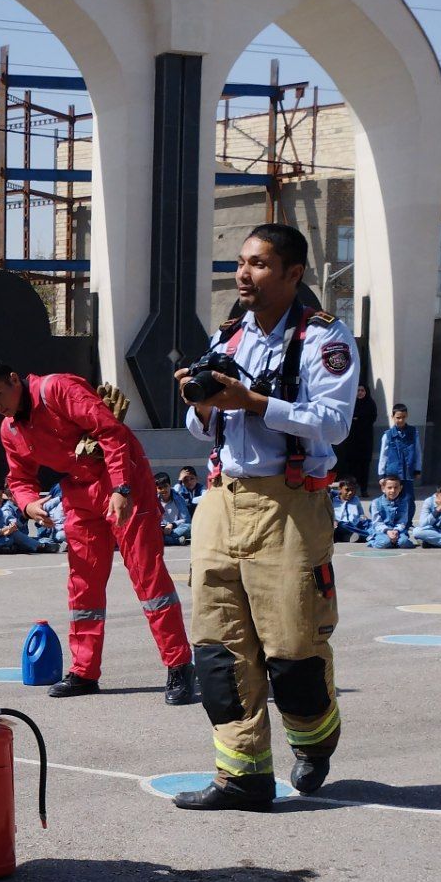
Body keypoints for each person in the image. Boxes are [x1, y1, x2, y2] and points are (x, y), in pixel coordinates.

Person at [175, 223, 358, 807]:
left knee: (292, 646)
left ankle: (314, 736)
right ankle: (243, 776)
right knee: (218, 646)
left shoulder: (325, 339)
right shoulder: (227, 338)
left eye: (257, 264)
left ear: (292, 273)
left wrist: (254, 402)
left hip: (289, 501)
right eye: (240, 262)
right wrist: (203, 404)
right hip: (221, 499)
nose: (243, 274)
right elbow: (199, 424)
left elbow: (334, 422)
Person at [0, 359, 198, 703]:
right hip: (79, 491)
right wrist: (29, 502)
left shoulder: (57, 389)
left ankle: (179, 665)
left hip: (124, 480)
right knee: (83, 585)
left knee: (149, 579)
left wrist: (122, 489)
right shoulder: (11, 429)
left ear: (15, 380)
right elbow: (19, 478)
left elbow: (112, 432)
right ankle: (84, 671)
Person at [377, 403, 422, 519]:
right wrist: (381, 475)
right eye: (398, 417)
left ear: (406, 416)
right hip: (392, 473)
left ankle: (407, 522)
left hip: (407, 473)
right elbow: (383, 456)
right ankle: (390, 521)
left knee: (409, 498)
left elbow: (417, 451)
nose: (400, 420)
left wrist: (417, 469)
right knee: (391, 498)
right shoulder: (387, 435)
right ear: (392, 417)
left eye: (403, 417)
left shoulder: (413, 432)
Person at [341, 382, 379, 495]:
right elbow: (348, 418)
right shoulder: (352, 404)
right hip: (352, 440)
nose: (360, 393)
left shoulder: (370, 404)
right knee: (352, 465)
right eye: (358, 390)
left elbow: (371, 418)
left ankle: (364, 489)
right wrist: (358, 419)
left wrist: (358, 419)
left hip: (365, 440)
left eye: (362, 390)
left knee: (364, 465)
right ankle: (351, 489)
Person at [366, 475, 414, 549]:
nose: (393, 490)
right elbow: (377, 522)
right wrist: (388, 531)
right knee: (384, 543)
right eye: (389, 488)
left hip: (398, 531)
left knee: (403, 542)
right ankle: (372, 541)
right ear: (383, 489)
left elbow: (402, 521)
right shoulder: (376, 502)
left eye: (396, 487)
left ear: (400, 488)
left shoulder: (404, 503)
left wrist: (396, 530)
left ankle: (393, 542)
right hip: (382, 530)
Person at [331, 477, 370, 544]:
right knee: (343, 524)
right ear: (340, 489)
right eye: (347, 490)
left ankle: (348, 537)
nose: (350, 492)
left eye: (353, 490)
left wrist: (363, 517)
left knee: (368, 522)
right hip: (340, 526)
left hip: (354, 525)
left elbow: (361, 514)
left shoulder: (356, 499)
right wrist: (334, 520)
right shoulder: (333, 500)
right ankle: (366, 535)